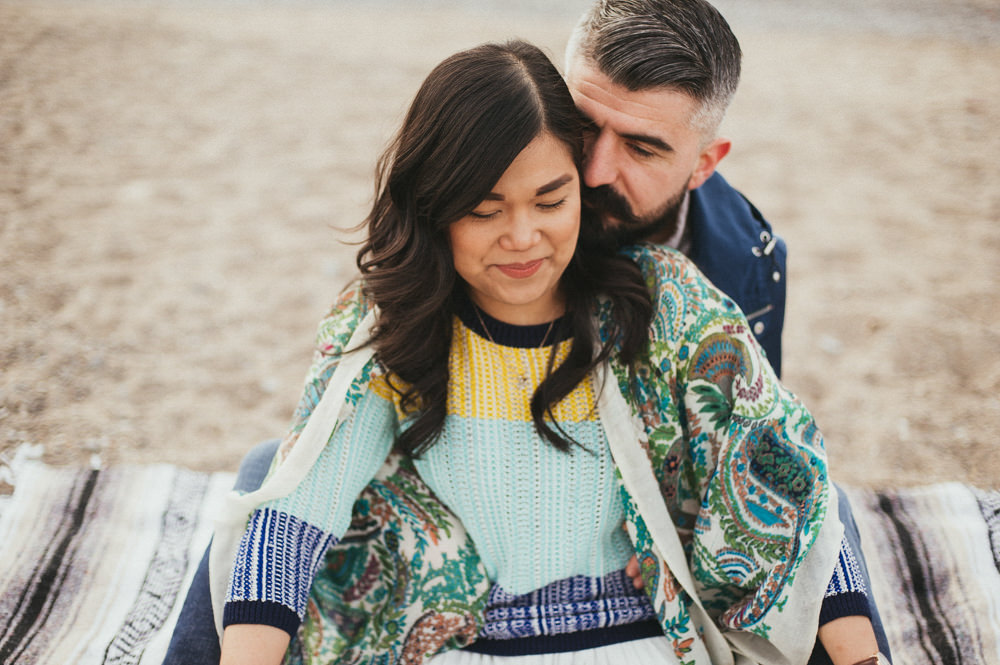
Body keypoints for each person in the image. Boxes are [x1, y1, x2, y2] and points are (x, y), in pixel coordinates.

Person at [165, 40, 879, 665]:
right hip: (461, 640)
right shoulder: (397, 327)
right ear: (433, 207)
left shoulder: (661, 304)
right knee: (267, 480)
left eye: (549, 199)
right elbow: (300, 510)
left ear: (580, 186)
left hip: (639, 639)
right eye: (483, 209)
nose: (522, 236)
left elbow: (790, 481)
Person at [564, 1, 891, 661]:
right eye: (580, 124)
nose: (595, 171)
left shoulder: (747, 262)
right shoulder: (483, 195)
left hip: (665, 510)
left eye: (642, 146)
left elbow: (748, 432)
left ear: (704, 163)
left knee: (817, 506)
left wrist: (677, 519)